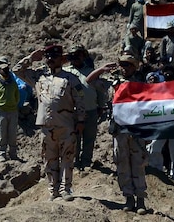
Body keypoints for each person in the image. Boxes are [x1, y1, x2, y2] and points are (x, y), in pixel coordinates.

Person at [14, 44, 85, 201]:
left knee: (67, 158)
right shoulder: (38, 77)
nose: (51, 60)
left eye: (54, 57)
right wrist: (31, 58)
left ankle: (66, 190)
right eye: (48, 57)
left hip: (66, 126)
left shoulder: (71, 78)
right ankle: (53, 192)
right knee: (49, 160)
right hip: (46, 127)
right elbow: (17, 70)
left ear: (61, 58)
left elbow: (80, 101)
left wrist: (81, 121)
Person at [88, 56, 149, 212]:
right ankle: (128, 197)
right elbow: (89, 81)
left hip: (136, 129)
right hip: (119, 129)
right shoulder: (113, 83)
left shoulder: (141, 84)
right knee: (122, 162)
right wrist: (102, 69)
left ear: (134, 67)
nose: (124, 68)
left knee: (138, 163)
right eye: (122, 65)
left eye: (128, 65)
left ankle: (140, 199)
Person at [64, 44, 104, 170]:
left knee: (89, 138)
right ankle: (74, 164)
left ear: (84, 56)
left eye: (79, 55)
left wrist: (101, 106)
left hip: (91, 110)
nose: (76, 58)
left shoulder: (91, 72)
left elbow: (100, 91)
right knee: (74, 139)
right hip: (72, 112)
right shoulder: (66, 72)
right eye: (73, 55)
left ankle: (86, 163)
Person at [0, 56, 20, 161]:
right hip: (0, 111)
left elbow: (17, 95)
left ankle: (13, 153)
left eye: (6, 69)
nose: (5, 71)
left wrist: (13, 104)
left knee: (12, 134)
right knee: (2, 134)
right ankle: (2, 154)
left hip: (12, 110)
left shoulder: (13, 82)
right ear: (0, 70)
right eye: (3, 69)